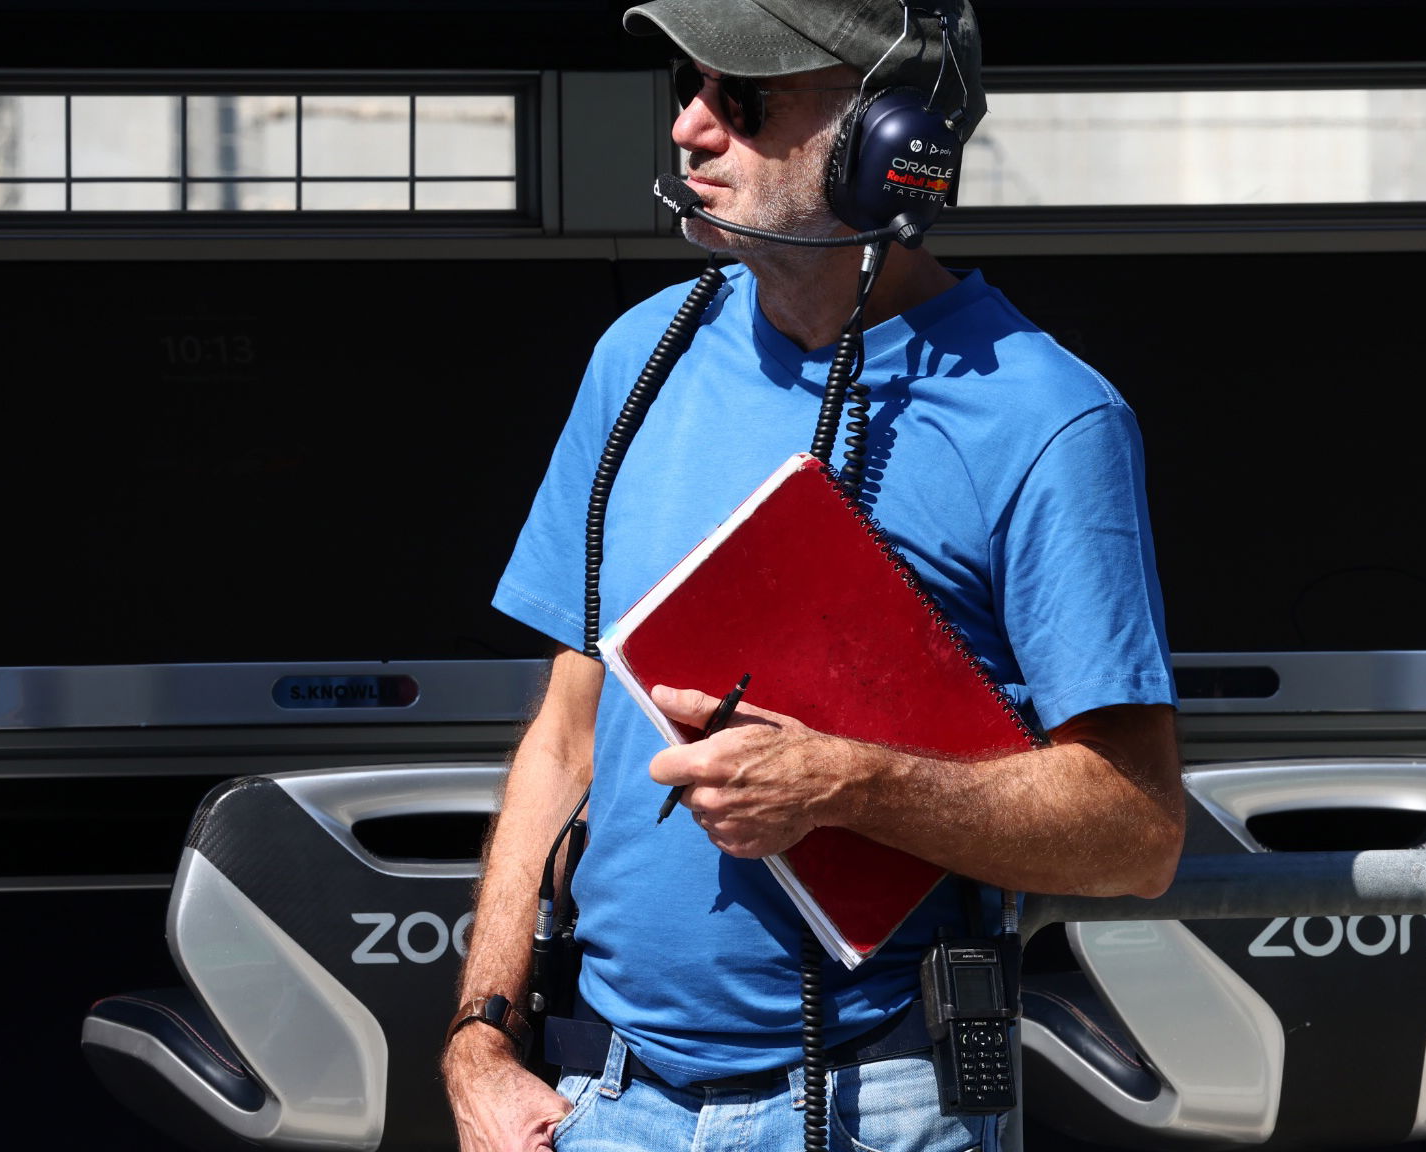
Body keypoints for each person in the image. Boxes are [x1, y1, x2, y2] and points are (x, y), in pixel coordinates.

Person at [444, 2, 1184, 1149]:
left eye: (742, 98)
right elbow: (565, 737)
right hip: (602, 1098)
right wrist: (481, 1037)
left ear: (888, 139)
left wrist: (849, 786)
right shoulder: (636, 358)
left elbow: (1134, 831)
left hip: (873, 1101)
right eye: (688, 89)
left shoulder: (1047, 419)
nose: (690, 128)